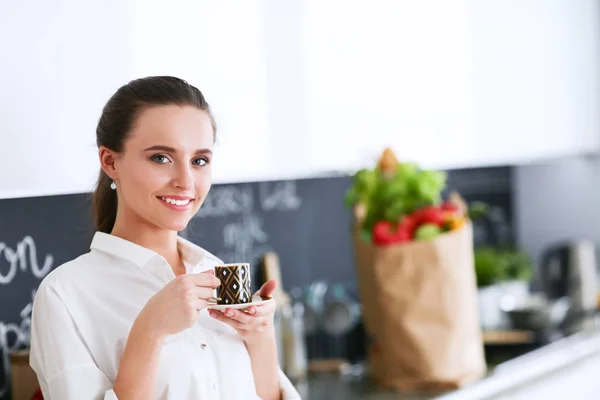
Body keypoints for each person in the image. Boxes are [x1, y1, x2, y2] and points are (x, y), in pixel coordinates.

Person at [29, 76, 301, 399]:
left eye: (199, 160)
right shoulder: (64, 296)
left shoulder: (215, 273)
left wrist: (261, 339)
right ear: (110, 161)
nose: (186, 182)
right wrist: (150, 331)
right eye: (161, 158)